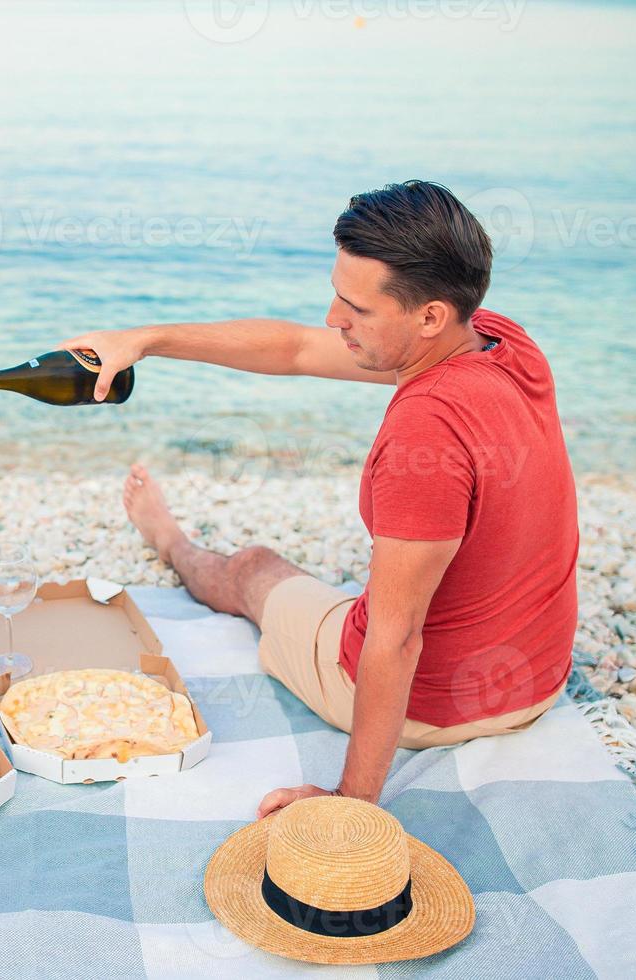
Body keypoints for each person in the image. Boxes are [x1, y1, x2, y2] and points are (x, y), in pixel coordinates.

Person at [59, 180, 578, 817]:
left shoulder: (426, 426)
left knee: (254, 567)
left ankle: (167, 538)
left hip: (438, 705)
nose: (335, 320)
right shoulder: (501, 340)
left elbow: (397, 639)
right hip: (537, 677)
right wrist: (143, 339)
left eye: (356, 309)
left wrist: (350, 802)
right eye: (337, 297)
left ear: (429, 316)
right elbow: (297, 349)